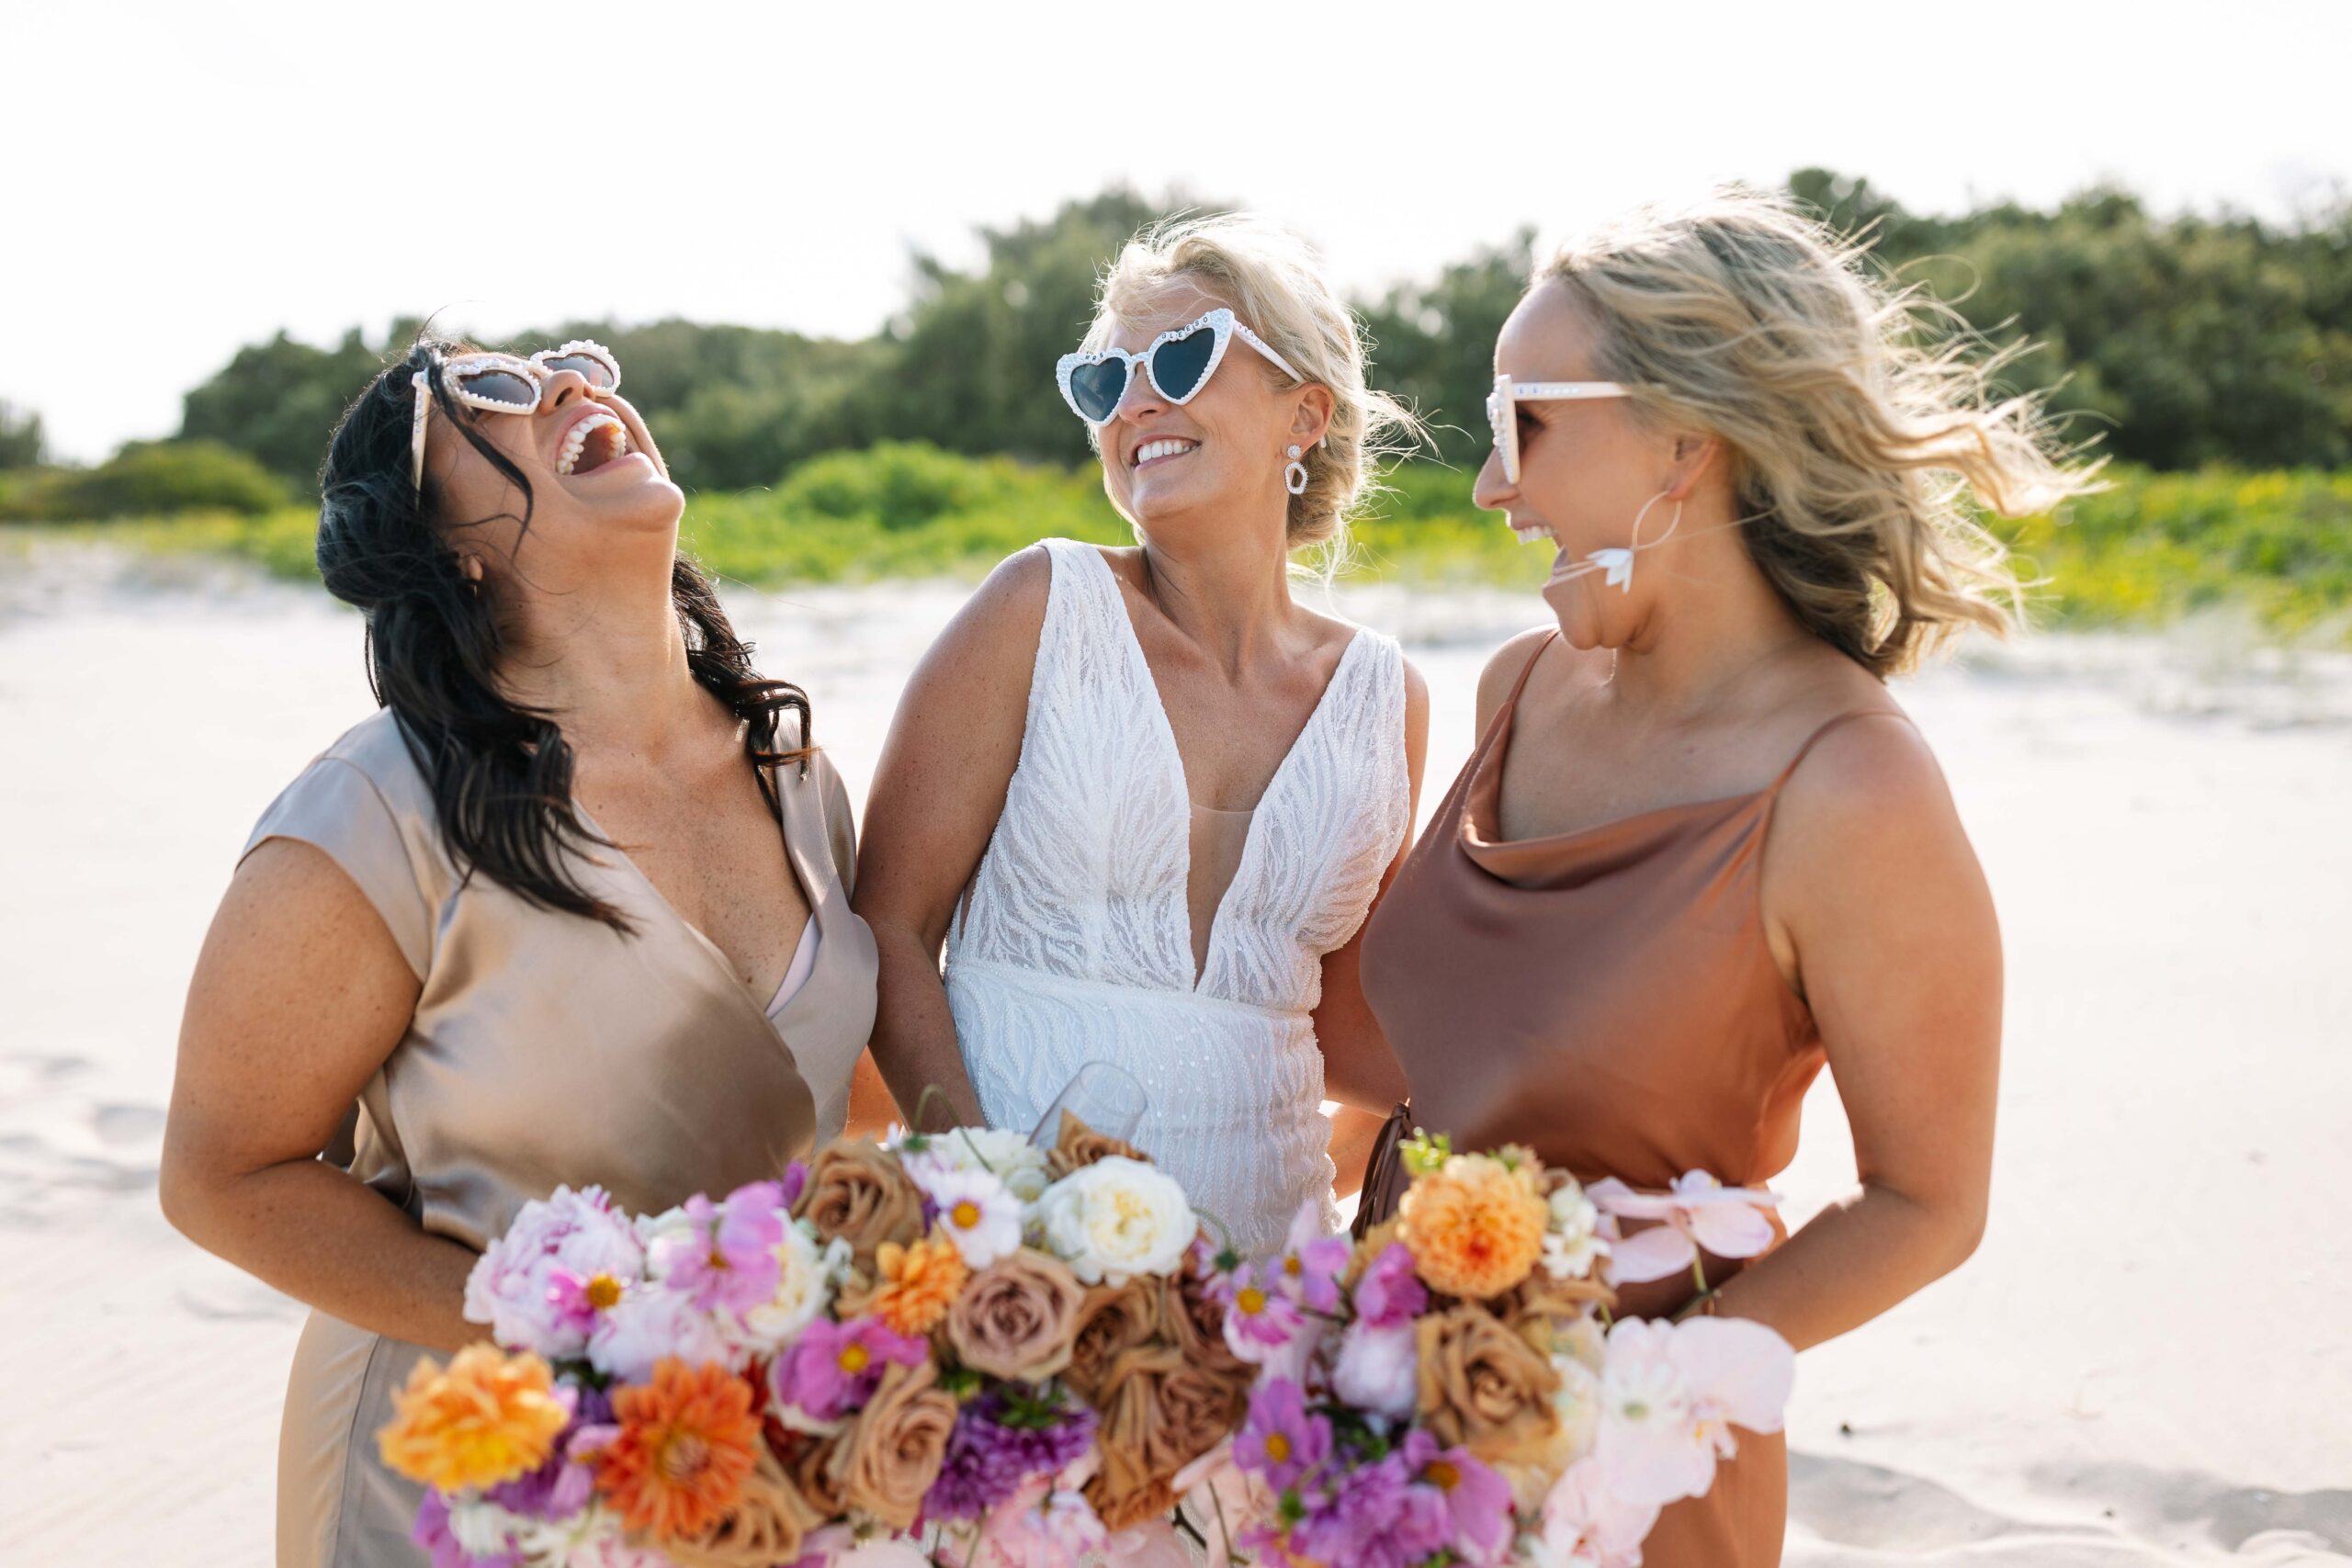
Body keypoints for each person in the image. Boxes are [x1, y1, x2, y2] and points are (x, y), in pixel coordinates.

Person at [1359, 189, 2096, 1566]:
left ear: (1687, 440)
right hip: (1381, 1407)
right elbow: (1442, 1047)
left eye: (1528, 420)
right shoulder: (1520, 687)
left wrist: (1633, 1394)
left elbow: (1928, 1203)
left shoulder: (1852, 789)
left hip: (1630, 1478)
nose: (1490, 482)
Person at [158, 337, 878, 1566]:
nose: (566, 383)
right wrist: (563, 1329)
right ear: (447, 544)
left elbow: (841, 1121)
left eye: (575, 358)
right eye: (489, 388)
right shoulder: (379, 811)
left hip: (725, 1459)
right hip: (455, 1468)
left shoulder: (797, 778)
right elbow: (221, 1175)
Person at [856, 216, 1427, 1258]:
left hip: (1269, 1270)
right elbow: (888, 928)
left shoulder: (1382, 698)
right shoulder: (1039, 608)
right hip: (1012, 1255)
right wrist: (992, 1194)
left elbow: (1349, 1034)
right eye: (1101, 382)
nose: (1136, 402)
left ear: (1304, 412)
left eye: (1178, 357)